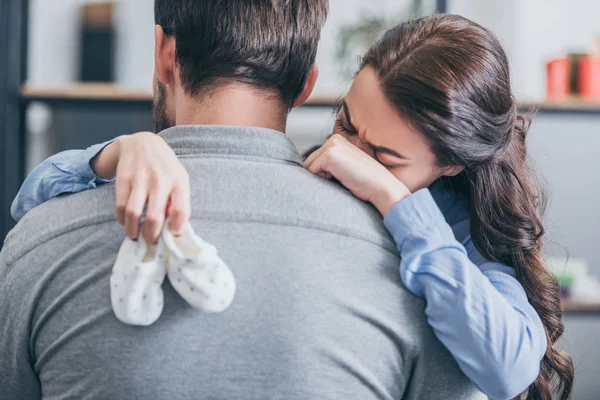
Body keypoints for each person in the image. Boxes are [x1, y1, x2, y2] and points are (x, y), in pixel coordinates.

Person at [9, 13, 574, 400]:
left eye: (382, 157)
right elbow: (29, 205)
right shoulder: (315, 172)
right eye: (346, 124)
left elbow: (506, 367)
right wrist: (121, 152)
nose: (345, 156)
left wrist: (395, 203)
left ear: (451, 165)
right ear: (319, 87)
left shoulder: (460, 244)